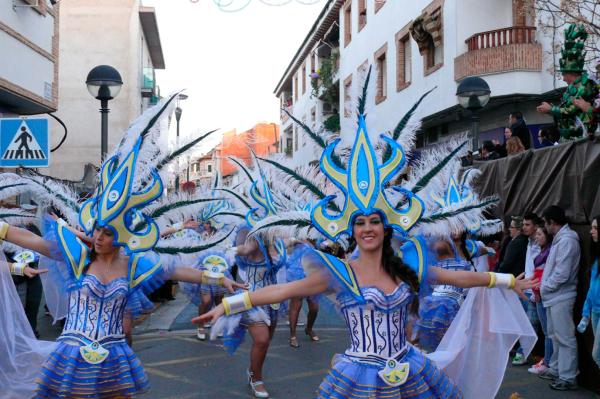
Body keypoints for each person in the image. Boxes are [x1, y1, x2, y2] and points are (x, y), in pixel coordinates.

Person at [195, 84, 538, 398]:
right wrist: (228, 305)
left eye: (375, 221)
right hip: (359, 376)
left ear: (386, 227)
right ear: (352, 229)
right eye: (360, 223)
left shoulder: (406, 266)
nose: (368, 228)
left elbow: (459, 276)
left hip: (408, 370)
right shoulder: (340, 272)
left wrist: (507, 281)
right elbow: (282, 291)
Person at [539, 205, 581, 390]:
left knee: (564, 338)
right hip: (554, 296)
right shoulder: (560, 239)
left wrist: (544, 288)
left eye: (545, 223)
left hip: (561, 296)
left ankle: (568, 377)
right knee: (555, 336)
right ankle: (557, 370)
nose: (544, 227)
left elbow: (562, 274)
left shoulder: (567, 241)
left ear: (552, 222)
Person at [537, 24, 598, 140]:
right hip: (570, 137)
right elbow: (565, 109)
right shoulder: (571, 88)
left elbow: (571, 110)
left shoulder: (586, 85)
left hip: (583, 136)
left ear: (571, 73)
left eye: (564, 74)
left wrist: (551, 110)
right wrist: (552, 109)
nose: (563, 78)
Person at [528, 225, 554, 375]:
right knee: (546, 330)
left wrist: (537, 290)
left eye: (539, 234)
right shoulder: (543, 251)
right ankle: (547, 360)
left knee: (547, 331)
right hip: (538, 293)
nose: (536, 237)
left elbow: (542, 275)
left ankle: (548, 362)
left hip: (542, 294)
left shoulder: (549, 252)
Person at [577, 215, 600, 368]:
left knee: (597, 354)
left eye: (595, 228)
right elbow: (592, 288)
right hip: (595, 311)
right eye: (591, 227)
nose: (591, 231)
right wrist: (586, 314)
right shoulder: (596, 258)